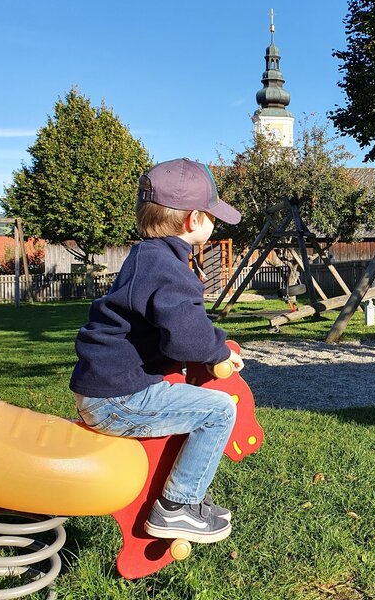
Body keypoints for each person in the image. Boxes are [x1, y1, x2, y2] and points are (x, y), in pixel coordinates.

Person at [69, 158, 244, 543]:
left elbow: (176, 321)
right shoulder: (167, 268)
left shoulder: (148, 256)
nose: (215, 225)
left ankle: (185, 493)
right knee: (218, 411)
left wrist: (209, 341)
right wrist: (218, 352)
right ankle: (178, 506)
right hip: (118, 398)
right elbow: (184, 335)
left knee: (193, 403)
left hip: (106, 389)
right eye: (213, 216)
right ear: (194, 220)